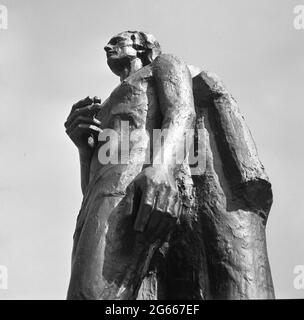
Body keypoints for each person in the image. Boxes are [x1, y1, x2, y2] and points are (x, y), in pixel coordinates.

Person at [64, 31, 196, 299]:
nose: (107, 47)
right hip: (96, 204)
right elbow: (90, 185)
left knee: (89, 294)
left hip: (134, 189)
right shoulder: (105, 105)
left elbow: (182, 112)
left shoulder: (163, 66)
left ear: (140, 45)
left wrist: (162, 167)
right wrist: (82, 147)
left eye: (116, 42)